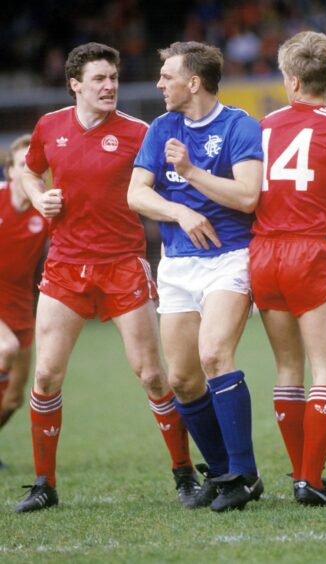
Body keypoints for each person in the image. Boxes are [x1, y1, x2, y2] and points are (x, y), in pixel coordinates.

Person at [14, 42, 196, 513]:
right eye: (98, 79)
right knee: (47, 375)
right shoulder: (49, 127)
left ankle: (185, 474)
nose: (109, 86)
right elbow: (32, 173)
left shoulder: (140, 132)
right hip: (66, 267)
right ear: (75, 84)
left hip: (122, 264)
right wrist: (39, 197)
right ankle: (43, 484)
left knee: (154, 376)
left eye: (113, 78)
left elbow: (171, 183)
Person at [128, 41, 263, 512]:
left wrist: (191, 171)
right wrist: (180, 212)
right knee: (183, 379)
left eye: (167, 76)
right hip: (179, 263)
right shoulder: (160, 127)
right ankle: (225, 471)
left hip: (231, 257)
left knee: (213, 354)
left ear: (194, 82)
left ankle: (244, 474)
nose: (159, 84)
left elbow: (248, 197)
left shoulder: (240, 125)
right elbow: (136, 195)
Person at [250, 31, 326, 506]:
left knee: (286, 367)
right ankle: (311, 480)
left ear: (292, 81)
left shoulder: (263, 126)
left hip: (263, 255)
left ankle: (301, 472)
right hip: (312, 254)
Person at [0, 134, 49, 467]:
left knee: (16, 395)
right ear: (10, 171)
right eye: (23, 164)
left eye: (36, 165)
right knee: (6, 348)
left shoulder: (45, 208)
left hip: (20, 303)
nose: (31, 169)